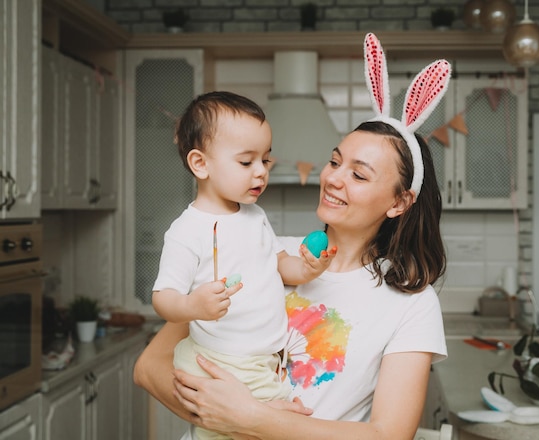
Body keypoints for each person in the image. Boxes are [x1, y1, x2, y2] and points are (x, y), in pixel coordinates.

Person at [135, 33, 451, 439]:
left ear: (399, 202)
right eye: (335, 161)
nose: (334, 178)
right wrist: (218, 418)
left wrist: (252, 419)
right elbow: (150, 367)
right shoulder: (261, 247)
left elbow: (389, 435)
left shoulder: (411, 303)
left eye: (358, 174)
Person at [151, 91, 335, 440]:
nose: (261, 172)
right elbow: (163, 297)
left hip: (259, 358)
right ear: (200, 164)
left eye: (265, 160)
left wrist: (308, 270)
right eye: (246, 162)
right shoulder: (186, 231)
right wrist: (192, 306)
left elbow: (279, 264)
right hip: (226, 361)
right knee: (277, 425)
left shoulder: (255, 216)